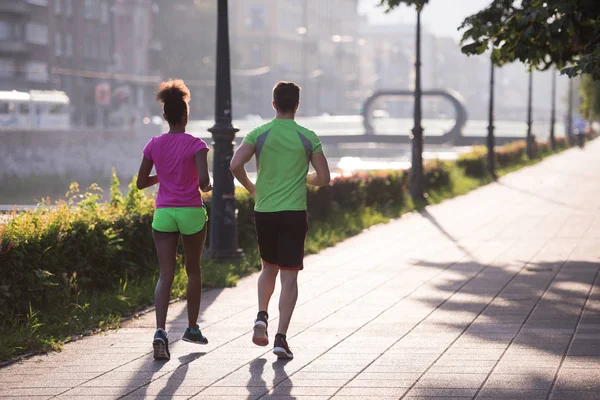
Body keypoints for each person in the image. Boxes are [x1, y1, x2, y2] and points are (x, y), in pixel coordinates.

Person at [230, 81, 331, 360]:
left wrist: (251, 187)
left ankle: (261, 316)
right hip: (293, 213)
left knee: (268, 267)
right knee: (289, 276)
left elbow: (235, 165)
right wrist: (305, 178)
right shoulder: (307, 136)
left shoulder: (259, 133)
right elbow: (324, 177)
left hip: (264, 211)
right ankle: (280, 338)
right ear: (297, 105)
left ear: (273, 104)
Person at [136, 79, 212, 360]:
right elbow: (203, 183)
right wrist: (208, 183)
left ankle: (159, 331)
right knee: (193, 271)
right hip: (191, 211)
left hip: (164, 212)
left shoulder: (154, 144)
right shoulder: (197, 145)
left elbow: (141, 182)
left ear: (165, 115)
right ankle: (191, 328)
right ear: (186, 115)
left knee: (165, 274)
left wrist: (163, 176)